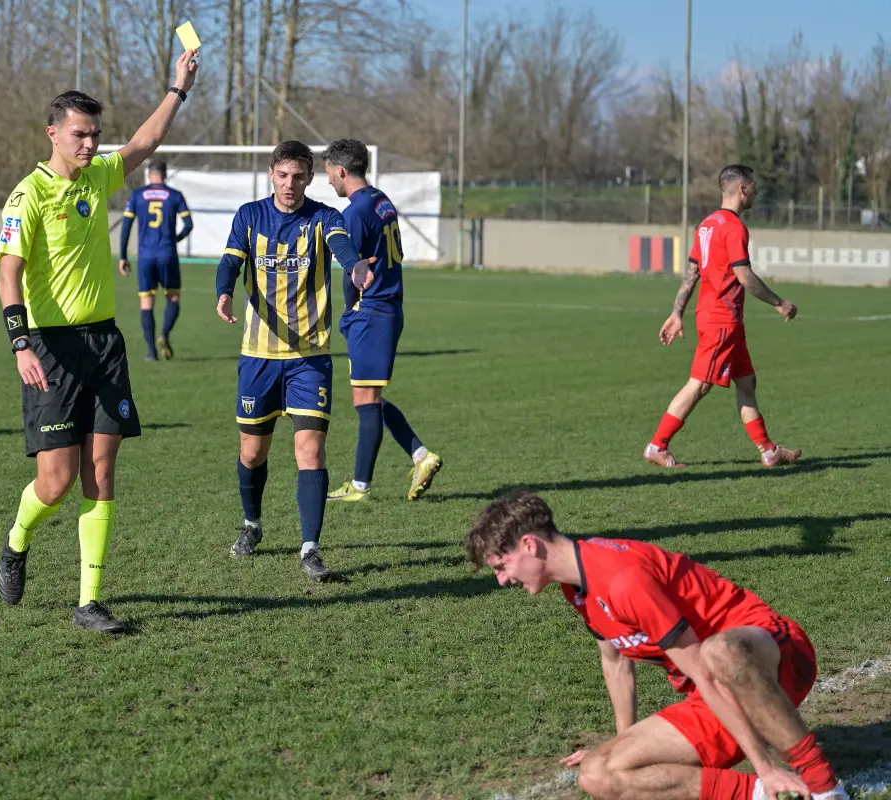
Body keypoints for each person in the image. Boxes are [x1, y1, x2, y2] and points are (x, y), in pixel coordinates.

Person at [0, 51, 199, 633]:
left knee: (102, 473)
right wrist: (21, 344)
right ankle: (17, 540)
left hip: (105, 344)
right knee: (55, 483)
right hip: (52, 350)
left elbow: (145, 143)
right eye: (80, 135)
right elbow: (8, 276)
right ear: (53, 134)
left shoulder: (98, 177)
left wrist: (178, 88)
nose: (90, 145)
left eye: (95, 135)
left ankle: (90, 602)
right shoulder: (27, 196)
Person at [465, 492, 849, 800]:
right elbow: (615, 663)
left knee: (719, 652)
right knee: (598, 772)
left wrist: (764, 762)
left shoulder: (622, 580)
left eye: (501, 566)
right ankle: (764, 793)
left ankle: (824, 786)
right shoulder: (576, 586)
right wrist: (623, 742)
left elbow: (706, 673)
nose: (502, 580)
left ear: (530, 545)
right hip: (715, 690)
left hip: (773, 657)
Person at [215, 140, 376, 581]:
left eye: (299, 176)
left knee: (311, 450)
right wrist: (224, 292)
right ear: (271, 174)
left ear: (310, 178)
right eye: (283, 175)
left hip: (310, 358)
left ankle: (310, 549)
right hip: (259, 357)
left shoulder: (324, 217)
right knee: (252, 453)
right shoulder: (250, 216)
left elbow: (342, 247)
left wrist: (355, 267)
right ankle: (252, 524)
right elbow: (230, 261)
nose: (290, 184)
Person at [645, 164, 801, 470]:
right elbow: (744, 276)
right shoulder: (734, 227)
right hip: (721, 320)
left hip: (722, 319)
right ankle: (657, 445)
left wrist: (677, 312)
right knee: (700, 384)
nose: (756, 191)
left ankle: (769, 451)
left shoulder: (706, 224)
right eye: (753, 186)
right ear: (742, 189)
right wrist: (779, 302)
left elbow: (692, 272)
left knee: (746, 383)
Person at [320, 138, 442, 503]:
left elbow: (353, 270)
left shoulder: (355, 213)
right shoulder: (380, 199)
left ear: (342, 170)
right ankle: (421, 455)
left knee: (366, 398)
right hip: (386, 308)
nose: (329, 181)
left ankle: (360, 485)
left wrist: (349, 311)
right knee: (368, 396)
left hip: (371, 312)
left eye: (329, 174)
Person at [118, 159, 193, 361]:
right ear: (165, 174)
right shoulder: (175, 195)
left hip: (146, 256)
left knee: (147, 303)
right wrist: (175, 239)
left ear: (149, 174)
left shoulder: (138, 196)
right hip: (168, 254)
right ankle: (164, 334)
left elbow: (126, 227)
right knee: (173, 298)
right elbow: (188, 225)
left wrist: (123, 256)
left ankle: (152, 353)